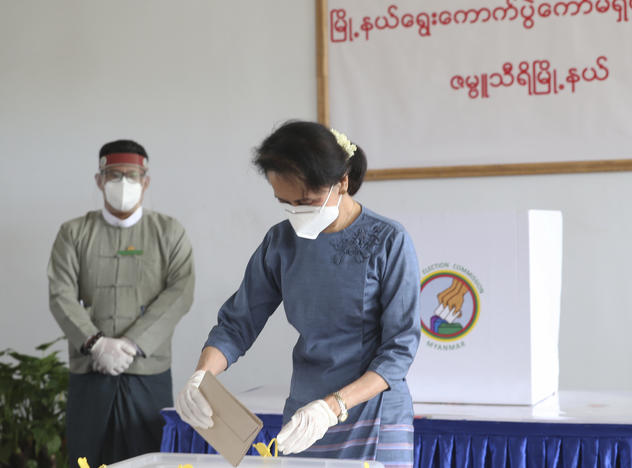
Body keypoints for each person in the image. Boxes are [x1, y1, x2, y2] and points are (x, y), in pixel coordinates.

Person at [175, 121, 420, 467]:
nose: (296, 212)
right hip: (304, 417)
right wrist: (202, 376)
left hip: (372, 415)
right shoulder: (280, 242)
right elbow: (237, 324)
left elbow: (399, 351)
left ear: (343, 182)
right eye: (285, 203)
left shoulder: (389, 241)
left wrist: (332, 407)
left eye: (306, 201)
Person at [48, 139, 195, 467]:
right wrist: (96, 343)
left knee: (149, 457)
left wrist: (131, 343)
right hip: (91, 369)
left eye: (131, 175)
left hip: (147, 370)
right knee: (86, 456)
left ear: (146, 181)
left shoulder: (168, 232)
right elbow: (61, 294)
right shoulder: (73, 233)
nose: (123, 183)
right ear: (99, 180)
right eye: (114, 175)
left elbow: (180, 292)